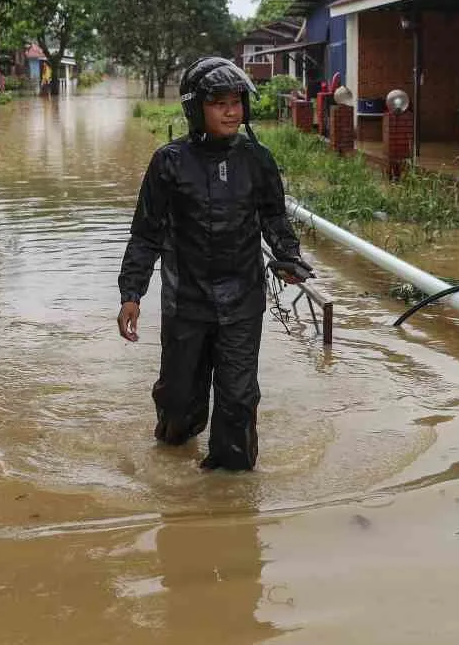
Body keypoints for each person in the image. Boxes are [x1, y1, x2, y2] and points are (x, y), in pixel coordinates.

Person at [116, 56, 314, 471]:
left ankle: (231, 491)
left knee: (239, 400)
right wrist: (131, 293)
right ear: (195, 108)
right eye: (218, 102)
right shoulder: (169, 162)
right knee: (177, 402)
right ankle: (172, 468)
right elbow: (146, 233)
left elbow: (274, 218)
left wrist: (288, 256)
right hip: (186, 301)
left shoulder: (257, 159)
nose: (231, 111)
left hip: (242, 300)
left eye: (237, 102)